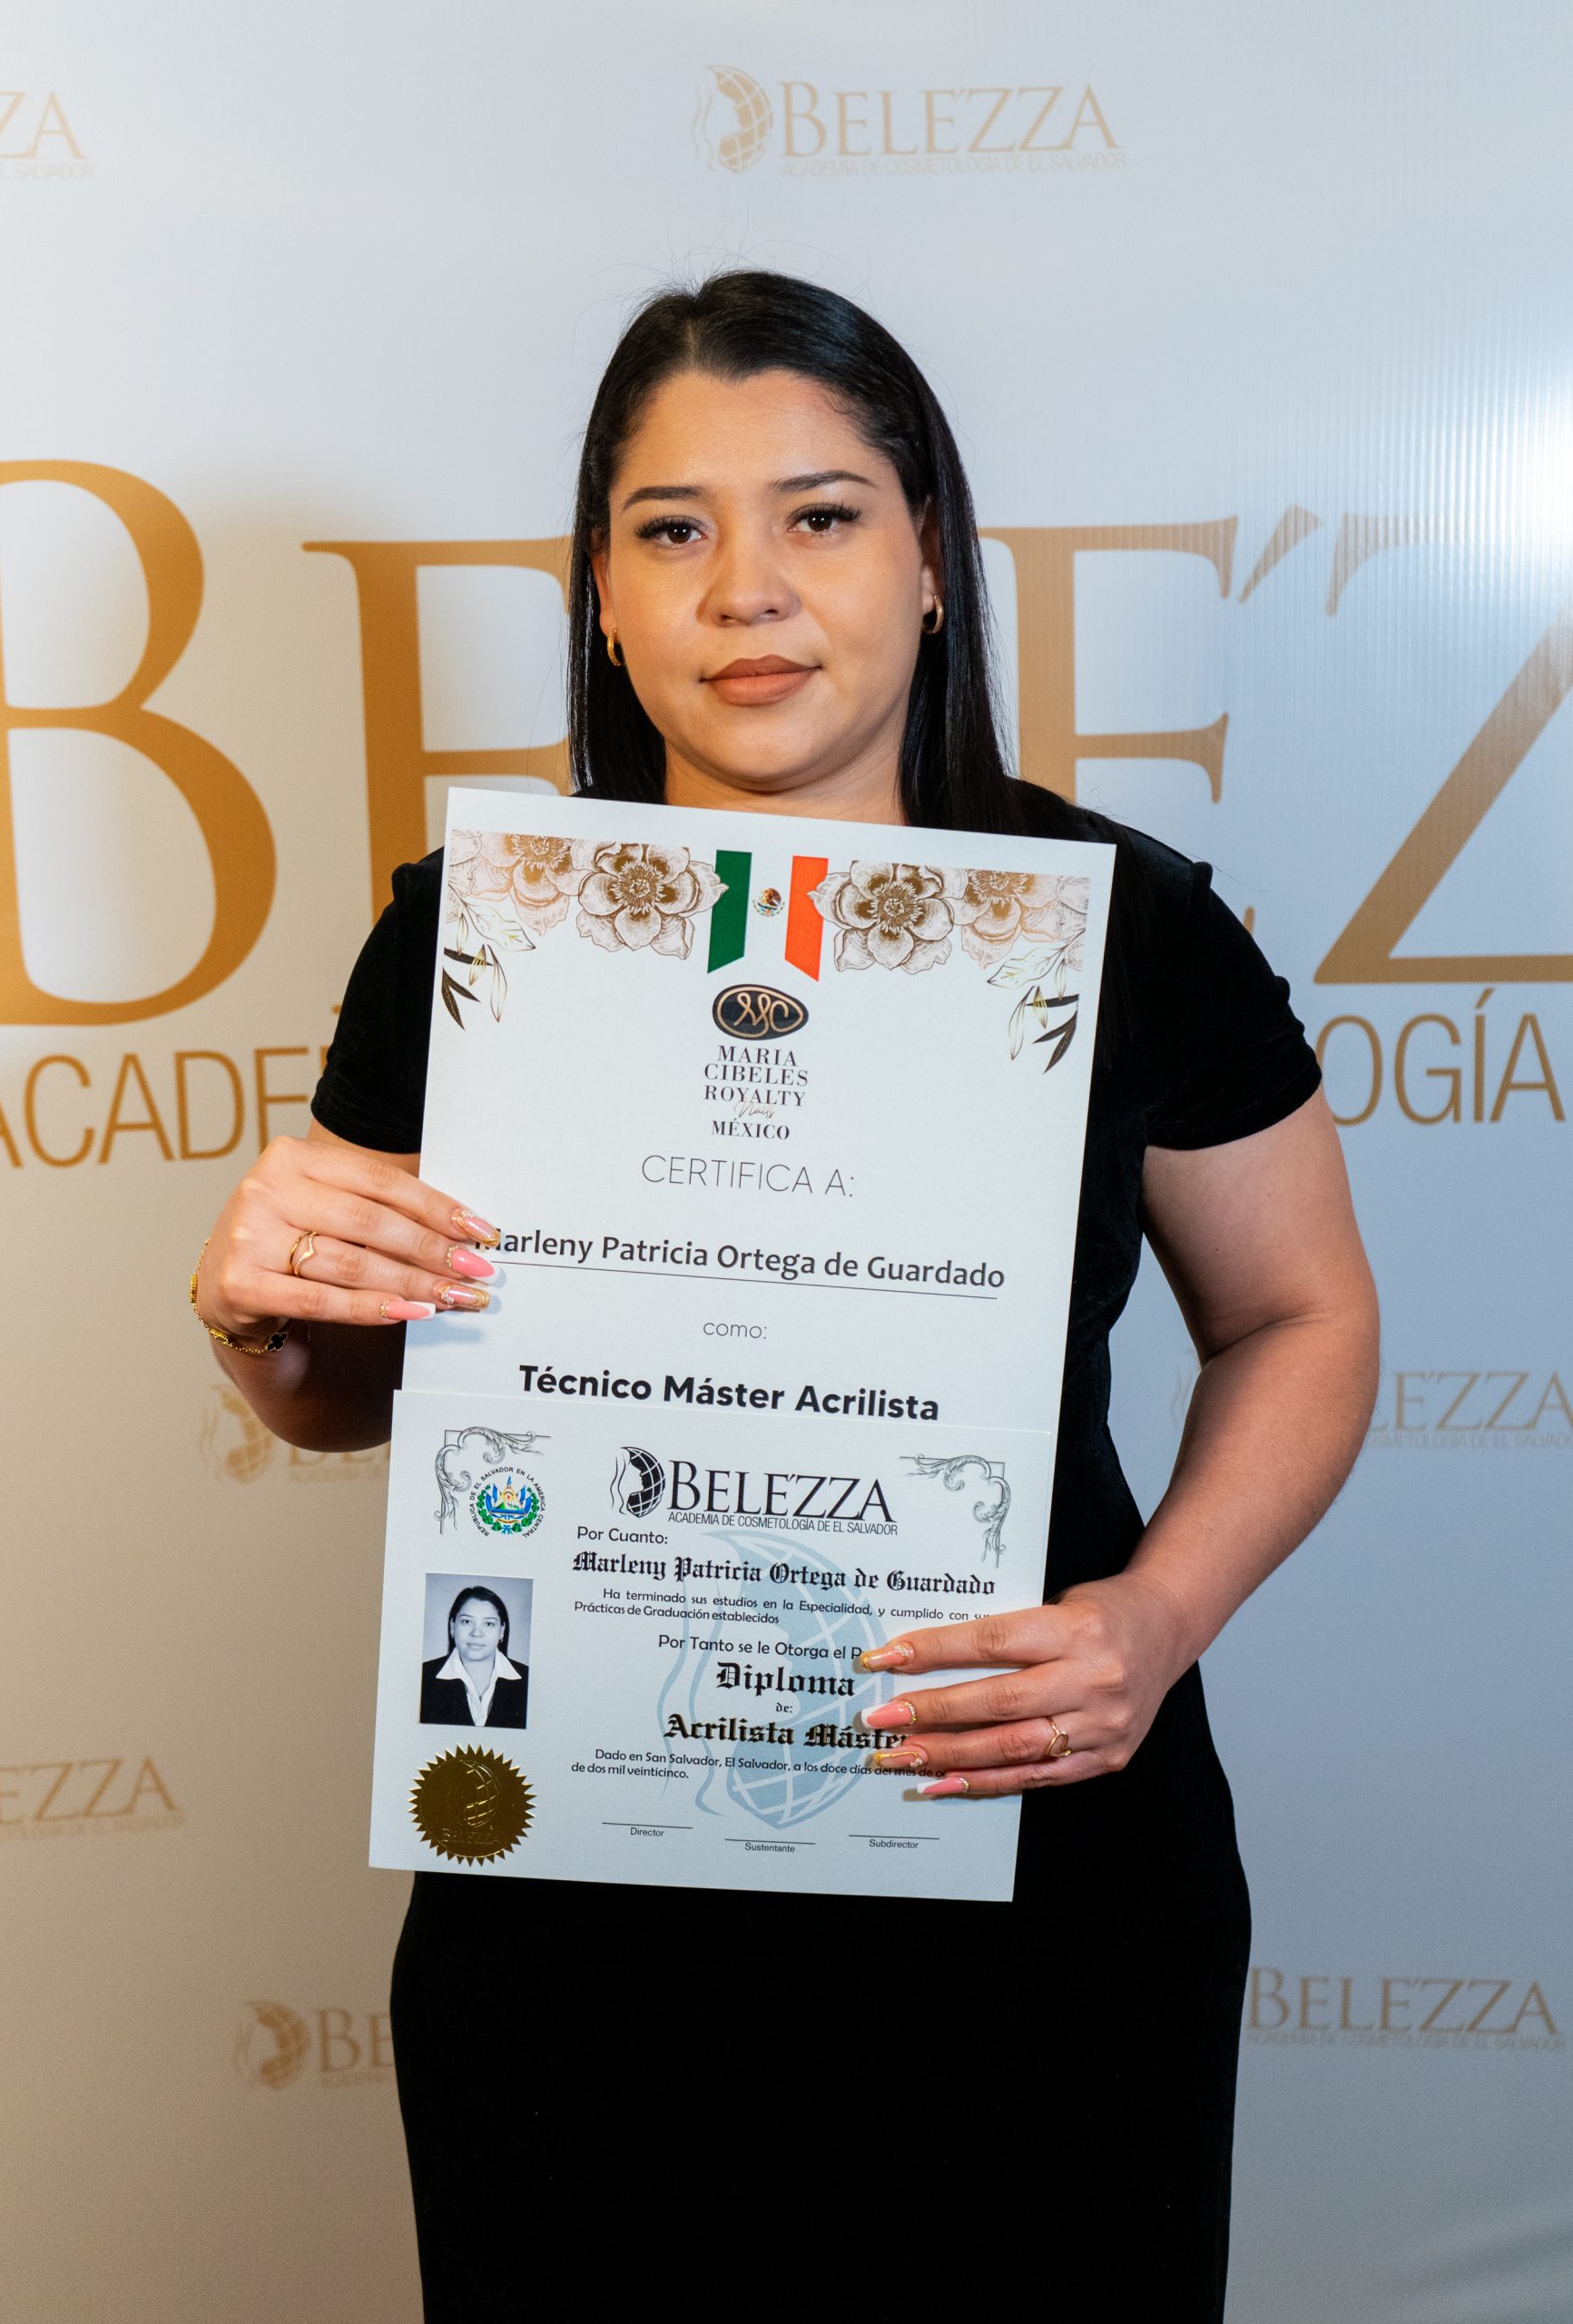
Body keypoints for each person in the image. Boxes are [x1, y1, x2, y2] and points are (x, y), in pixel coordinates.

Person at [190, 271, 1378, 2318]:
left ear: (931, 562)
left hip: (1033, 1850)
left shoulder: (1129, 930)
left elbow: (1303, 1315)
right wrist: (260, 1311)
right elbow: (345, 1389)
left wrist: (1158, 1618)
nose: (745, 587)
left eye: (820, 514)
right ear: (601, 594)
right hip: (580, 1902)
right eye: (674, 529)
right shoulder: (479, 942)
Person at [419, 1585, 529, 1729]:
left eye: (489, 1624)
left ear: (502, 1631)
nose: (476, 1633)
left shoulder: (528, 1679)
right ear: (452, 1626)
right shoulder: (422, 1676)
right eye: (466, 1621)